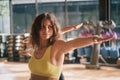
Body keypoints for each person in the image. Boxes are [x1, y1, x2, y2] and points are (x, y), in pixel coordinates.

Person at [19, 12, 115, 80]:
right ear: (37, 29)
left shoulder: (57, 46)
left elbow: (73, 44)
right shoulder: (37, 47)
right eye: (42, 27)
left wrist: (94, 39)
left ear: (54, 29)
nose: (46, 31)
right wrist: (29, 52)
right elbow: (41, 60)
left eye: (49, 27)